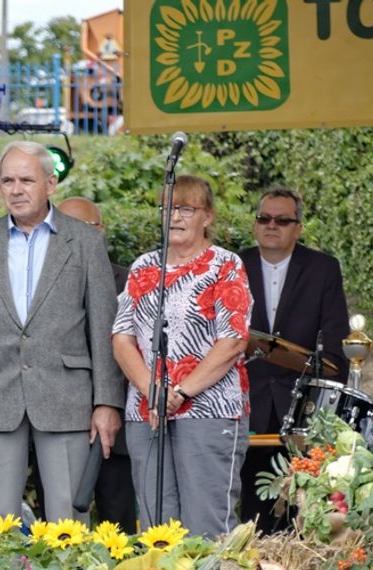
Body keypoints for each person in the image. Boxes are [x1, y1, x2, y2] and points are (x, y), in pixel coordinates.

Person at [0, 141, 123, 525]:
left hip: (67, 394)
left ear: (51, 183)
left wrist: (107, 402)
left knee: (67, 523)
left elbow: (103, 326)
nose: (16, 189)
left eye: (26, 179)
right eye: (7, 180)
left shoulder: (86, 241)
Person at [112, 175, 251, 538]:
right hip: (147, 411)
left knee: (207, 527)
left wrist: (182, 392)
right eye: (167, 208)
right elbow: (122, 336)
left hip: (208, 410)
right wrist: (152, 390)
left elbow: (233, 340)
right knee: (158, 528)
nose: (174, 216)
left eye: (186, 208)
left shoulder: (225, 265)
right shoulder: (144, 267)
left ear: (207, 217)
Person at [237, 187, 348, 532]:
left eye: (282, 220)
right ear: (255, 225)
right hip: (244, 402)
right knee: (248, 513)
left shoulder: (323, 269)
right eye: (264, 218)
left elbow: (336, 343)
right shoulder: (233, 265)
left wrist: (322, 402)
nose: (272, 225)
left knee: (300, 512)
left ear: (298, 228)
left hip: (301, 408)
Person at [56, 196, 137, 531]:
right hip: (58, 424)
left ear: (101, 231)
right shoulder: (37, 287)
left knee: (118, 529)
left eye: (83, 227)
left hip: (115, 431)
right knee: (60, 527)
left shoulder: (131, 281)